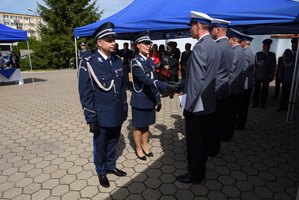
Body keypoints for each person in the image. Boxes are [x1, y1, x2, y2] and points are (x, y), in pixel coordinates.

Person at [78, 22, 128, 188]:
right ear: (99, 42)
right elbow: (85, 93)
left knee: (113, 141)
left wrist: (125, 107)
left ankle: (110, 165)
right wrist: (91, 117)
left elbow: (121, 88)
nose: (113, 42)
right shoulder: (88, 63)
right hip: (101, 114)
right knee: (101, 144)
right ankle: (101, 170)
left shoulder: (118, 61)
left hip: (116, 112)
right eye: (109, 40)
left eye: (113, 39)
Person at [176, 11, 221, 183]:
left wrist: (188, 107)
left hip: (197, 106)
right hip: (209, 103)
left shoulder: (201, 47)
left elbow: (196, 82)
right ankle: (200, 170)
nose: (190, 30)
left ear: (199, 26)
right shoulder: (214, 45)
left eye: (191, 26)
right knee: (203, 141)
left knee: (195, 143)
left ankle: (195, 174)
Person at [130, 32, 179, 160]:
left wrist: (158, 100)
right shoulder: (135, 62)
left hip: (149, 98)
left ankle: (145, 146)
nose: (148, 46)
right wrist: (166, 86)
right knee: (138, 125)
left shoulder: (150, 61)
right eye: (146, 44)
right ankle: (139, 148)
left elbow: (153, 81)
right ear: (138, 45)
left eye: (149, 44)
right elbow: (147, 81)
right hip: (140, 99)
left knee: (146, 124)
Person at [209, 18, 234, 156]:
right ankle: (215, 146)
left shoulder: (217, 46)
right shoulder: (229, 45)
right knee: (218, 121)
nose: (211, 31)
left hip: (215, 90)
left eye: (212, 29)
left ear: (218, 30)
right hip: (224, 89)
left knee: (213, 122)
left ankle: (212, 148)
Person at [221, 28, 245, 141]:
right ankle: (228, 132)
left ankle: (227, 134)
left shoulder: (235, 51)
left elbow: (230, 69)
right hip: (237, 86)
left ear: (233, 39)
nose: (228, 41)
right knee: (232, 111)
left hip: (231, 87)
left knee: (229, 113)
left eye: (229, 39)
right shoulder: (241, 50)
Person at [235, 34, 255, 130]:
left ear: (243, 42)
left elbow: (245, 68)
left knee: (242, 104)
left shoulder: (246, 52)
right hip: (246, 81)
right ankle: (240, 122)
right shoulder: (249, 51)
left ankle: (240, 123)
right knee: (242, 104)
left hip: (245, 81)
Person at [252, 39, 276, 109]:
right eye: (265, 45)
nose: (267, 47)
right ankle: (255, 103)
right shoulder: (258, 54)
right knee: (256, 90)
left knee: (264, 91)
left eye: (268, 45)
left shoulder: (272, 55)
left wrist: (271, 76)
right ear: (263, 46)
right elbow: (255, 66)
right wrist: (254, 74)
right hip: (258, 75)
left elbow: (273, 67)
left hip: (266, 76)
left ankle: (263, 103)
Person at [277, 38, 298, 111]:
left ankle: (290, 107)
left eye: (296, 44)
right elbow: (282, 66)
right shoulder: (287, 54)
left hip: (295, 78)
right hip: (286, 78)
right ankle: (282, 106)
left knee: (292, 94)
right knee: (284, 93)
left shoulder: (298, 55)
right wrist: (280, 77)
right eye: (293, 44)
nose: (294, 46)